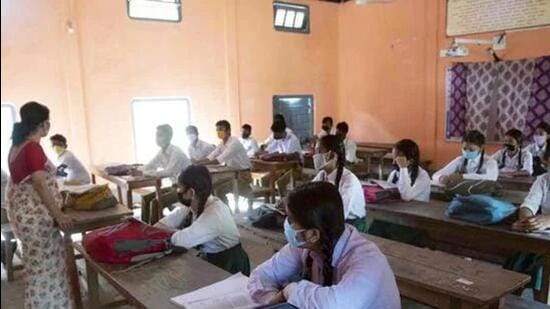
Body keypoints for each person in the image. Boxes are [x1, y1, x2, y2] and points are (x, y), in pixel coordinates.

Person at [247, 182, 400, 309]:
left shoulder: (368, 259)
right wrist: (273, 299)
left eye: (290, 219)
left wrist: (290, 291)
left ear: (313, 234)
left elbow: (336, 304)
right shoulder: (305, 245)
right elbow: (261, 276)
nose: (285, 224)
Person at [6, 102, 73, 308]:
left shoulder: (16, 146)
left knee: (37, 268)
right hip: (37, 220)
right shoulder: (32, 148)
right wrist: (59, 216)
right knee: (48, 270)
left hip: (24, 217)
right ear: (44, 124)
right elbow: (40, 185)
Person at [155, 165, 250, 275]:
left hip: (228, 267)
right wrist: (177, 232)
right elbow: (158, 226)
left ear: (191, 193)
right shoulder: (193, 205)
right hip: (209, 259)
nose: (178, 191)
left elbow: (179, 241)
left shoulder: (215, 213)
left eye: (179, 188)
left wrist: (175, 232)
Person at [507, 145, 549, 296]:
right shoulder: (544, 180)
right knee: (519, 258)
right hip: (542, 236)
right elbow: (528, 205)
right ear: (546, 162)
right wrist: (526, 221)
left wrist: (548, 220)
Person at [312, 135, 366, 232]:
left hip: (352, 225)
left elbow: (340, 215)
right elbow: (308, 193)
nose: (315, 155)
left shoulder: (349, 180)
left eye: (319, 151)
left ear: (332, 155)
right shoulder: (322, 175)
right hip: (331, 220)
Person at [137, 124, 191, 222]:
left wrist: (146, 173)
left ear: (169, 136)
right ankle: (144, 229)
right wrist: (136, 169)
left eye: (160, 135)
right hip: (175, 186)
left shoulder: (176, 152)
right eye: (156, 135)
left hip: (186, 189)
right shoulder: (162, 152)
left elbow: (168, 172)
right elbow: (150, 165)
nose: (157, 138)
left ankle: (154, 233)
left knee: (156, 202)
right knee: (146, 198)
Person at [196, 120, 252, 202]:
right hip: (232, 173)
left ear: (228, 131)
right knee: (212, 186)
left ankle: (226, 211)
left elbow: (218, 160)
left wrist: (198, 164)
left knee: (217, 189)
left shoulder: (234, 143)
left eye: (221, 129)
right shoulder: (222, 143)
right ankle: (223, 209)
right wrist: (197, 162)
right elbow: (211, 157)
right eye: (217, 130)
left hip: (242, 175)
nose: (219, 132)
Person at [432, 130, 499, 186]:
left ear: (481, 148)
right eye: (464, 149)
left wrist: (462, 177)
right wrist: (441, 178)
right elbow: (436, 174)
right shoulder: (460, 160)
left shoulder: (490, 162)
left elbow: (491, 178)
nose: (467, 152)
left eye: (471, 150)